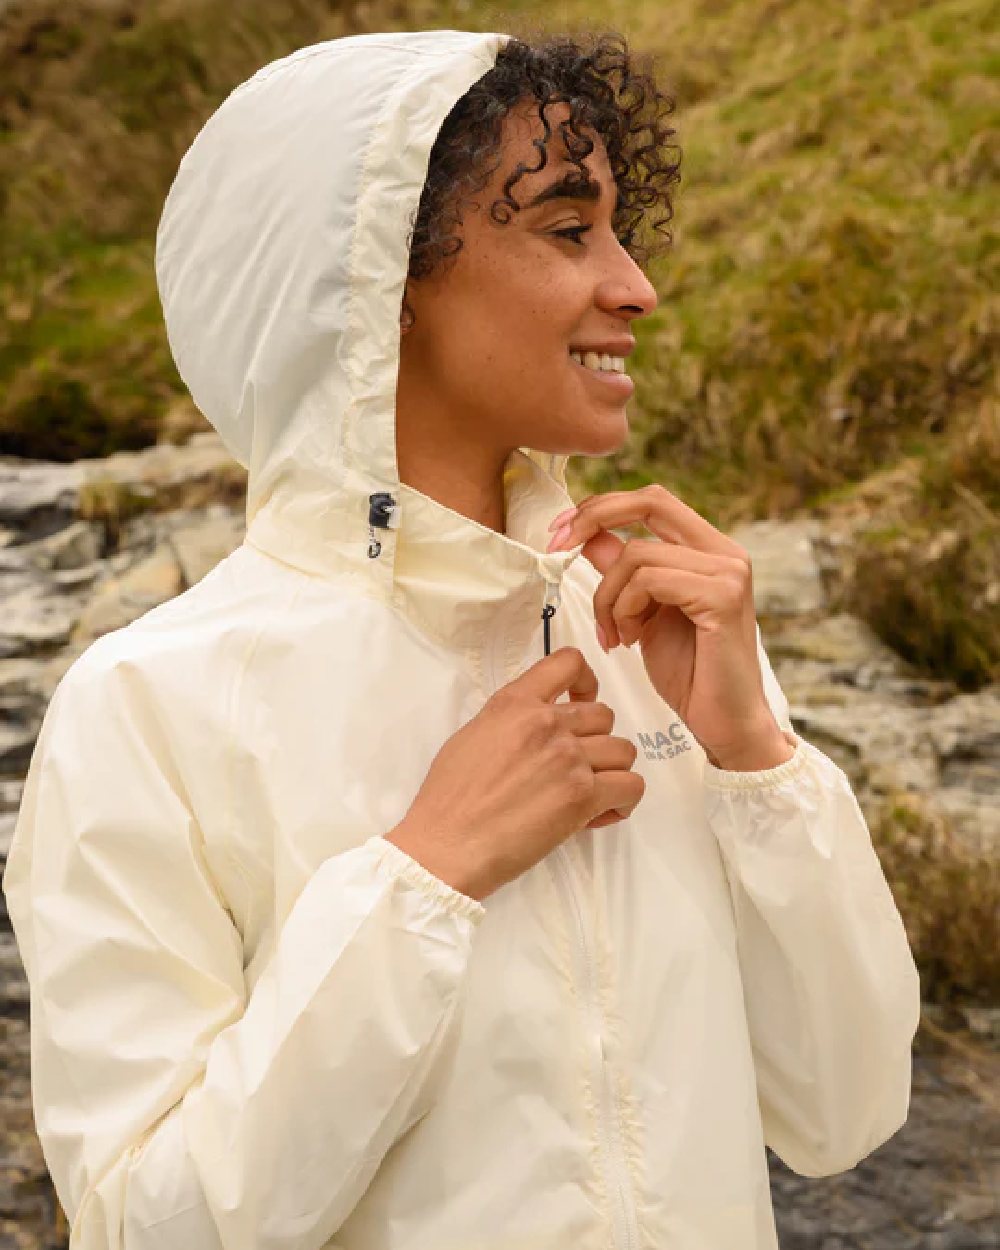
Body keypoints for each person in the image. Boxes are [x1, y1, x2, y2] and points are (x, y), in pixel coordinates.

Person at [2, 26, 921, 1250]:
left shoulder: (648, 645)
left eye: (619, 229)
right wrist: (426, 872)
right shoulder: (147, 705)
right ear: (379, 275)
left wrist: (754, 756)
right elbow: (143, 1224)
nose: (636, 284)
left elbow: (846, 1112)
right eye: (565, 228)